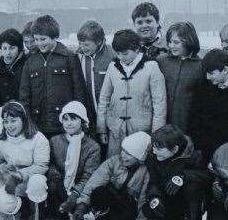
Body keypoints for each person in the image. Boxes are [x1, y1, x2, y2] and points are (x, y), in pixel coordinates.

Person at [72, 131, 156, 220]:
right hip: (110, 205)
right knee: (99, 192)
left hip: (127, 209)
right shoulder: (113, 162)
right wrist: (82, 206)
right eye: (123, 150)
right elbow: (94, 183)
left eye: (129, 154)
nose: (123, 155)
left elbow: (142, 201)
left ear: (140, 158)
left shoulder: (145, 172)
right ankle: (102, 219)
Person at [96, 29, 167, 158]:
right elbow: (104, 98)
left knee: (140, 165)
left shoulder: (151, 67)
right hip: (116, 131)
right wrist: (101, 129)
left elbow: (159, 103)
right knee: (115, 164)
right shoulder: (113, 67)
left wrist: (156, 134)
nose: (121, 57)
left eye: (125, 53)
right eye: (118, 53)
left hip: (141, 130)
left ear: (136, 49)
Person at [143, 125, 212, 220]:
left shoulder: (194, 156)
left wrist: (183, 175)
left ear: (174, 149)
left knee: (193, 187)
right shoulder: (153, 156)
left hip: (188, 201)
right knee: (148, 209)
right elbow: (153, 181)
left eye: (159, 148)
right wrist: (154, 197)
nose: (154, 151)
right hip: (168, 196)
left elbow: (207, 177)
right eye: (154, 147)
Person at [19, 15, 88, 138]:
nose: (39, 43)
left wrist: (79, 120)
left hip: (64, 125)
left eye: (43, 39)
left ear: (55, 37)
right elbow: (24, 95)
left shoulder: (69, 57)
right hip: (37, 126)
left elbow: (79, 92)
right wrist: (28, 122)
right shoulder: (30, 61)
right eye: (36, 39)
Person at [188, 49, 228, 163]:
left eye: (211, 73)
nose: (208, 77)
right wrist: (199, 144)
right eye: (206, 73)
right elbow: (195, 117)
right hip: (207, 146)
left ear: (225, 70)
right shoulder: (202, 87)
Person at [47, 101, 101, 220]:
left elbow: (89, 175)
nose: (69, 123)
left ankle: (76, 212)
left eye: (73, 119)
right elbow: (50, 163)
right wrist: (55, 174)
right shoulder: (55, 141)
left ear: (82, 121)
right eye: (65, 119)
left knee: (86, 193)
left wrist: (75, 193)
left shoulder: (92, 146)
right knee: (53, 184)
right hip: (59, 184)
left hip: (79, 186)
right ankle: (64, 217)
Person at [157, 21, 203, 132]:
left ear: (189, 41)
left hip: (187, 125)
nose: (171, 46)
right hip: (161, 123)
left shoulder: (200, 65)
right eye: (170, 42)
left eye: (176, 42)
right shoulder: (161, 61)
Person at [76, 20, 116, 131]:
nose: (83, 47)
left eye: (86, 44)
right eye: (80, 43)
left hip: (109, 111)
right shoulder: (78, 56)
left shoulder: (112, 55)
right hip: (89, 110)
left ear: (99, 42)